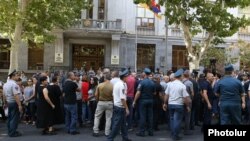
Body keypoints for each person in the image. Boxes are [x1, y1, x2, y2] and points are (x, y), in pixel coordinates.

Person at [162, 69, 191, 141]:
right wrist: (187, 106)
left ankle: (173, 134)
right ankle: (175, 135)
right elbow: (185, 98)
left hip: (170, 104)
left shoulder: (170, 84)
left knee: (172, 119)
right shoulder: (182, 86)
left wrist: (165, 103)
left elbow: (166, 95)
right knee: (177, 120)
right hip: (179, 105)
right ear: (181, 76)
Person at [107, 68, 132, 141]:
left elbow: (115, 95)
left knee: (123, 124)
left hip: (118, 106)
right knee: (116, 125)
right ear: (124, 77)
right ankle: (110, 139)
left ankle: (125, 138)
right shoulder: (121, 85)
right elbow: (122, 99)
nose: (128, 77)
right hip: (120, 107)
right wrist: (127, 108)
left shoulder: (119, 83)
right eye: (127, 76)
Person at [133, 68, 156, 137]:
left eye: (143, 73)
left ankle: (142, 132)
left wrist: (134, 101)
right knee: (150, 116)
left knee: (142, 116)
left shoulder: (142, 82)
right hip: (150, 100)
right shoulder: (152, 82)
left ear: (144, 74)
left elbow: (138, 93)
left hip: (143, 101)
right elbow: (154, 93)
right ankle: (150, 131)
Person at [3, 70, 23, 137]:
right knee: (14, 118)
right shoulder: (14, 84)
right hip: (14, 103)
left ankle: (10, 131)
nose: (18, 77)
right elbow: (16, 95)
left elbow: (4, 95)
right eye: (17, 75)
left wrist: (5, 102)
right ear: (13, 76)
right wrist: (19, 105)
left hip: (9, 102)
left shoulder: (5, 84)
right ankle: (13, 133)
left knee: (10, 118)